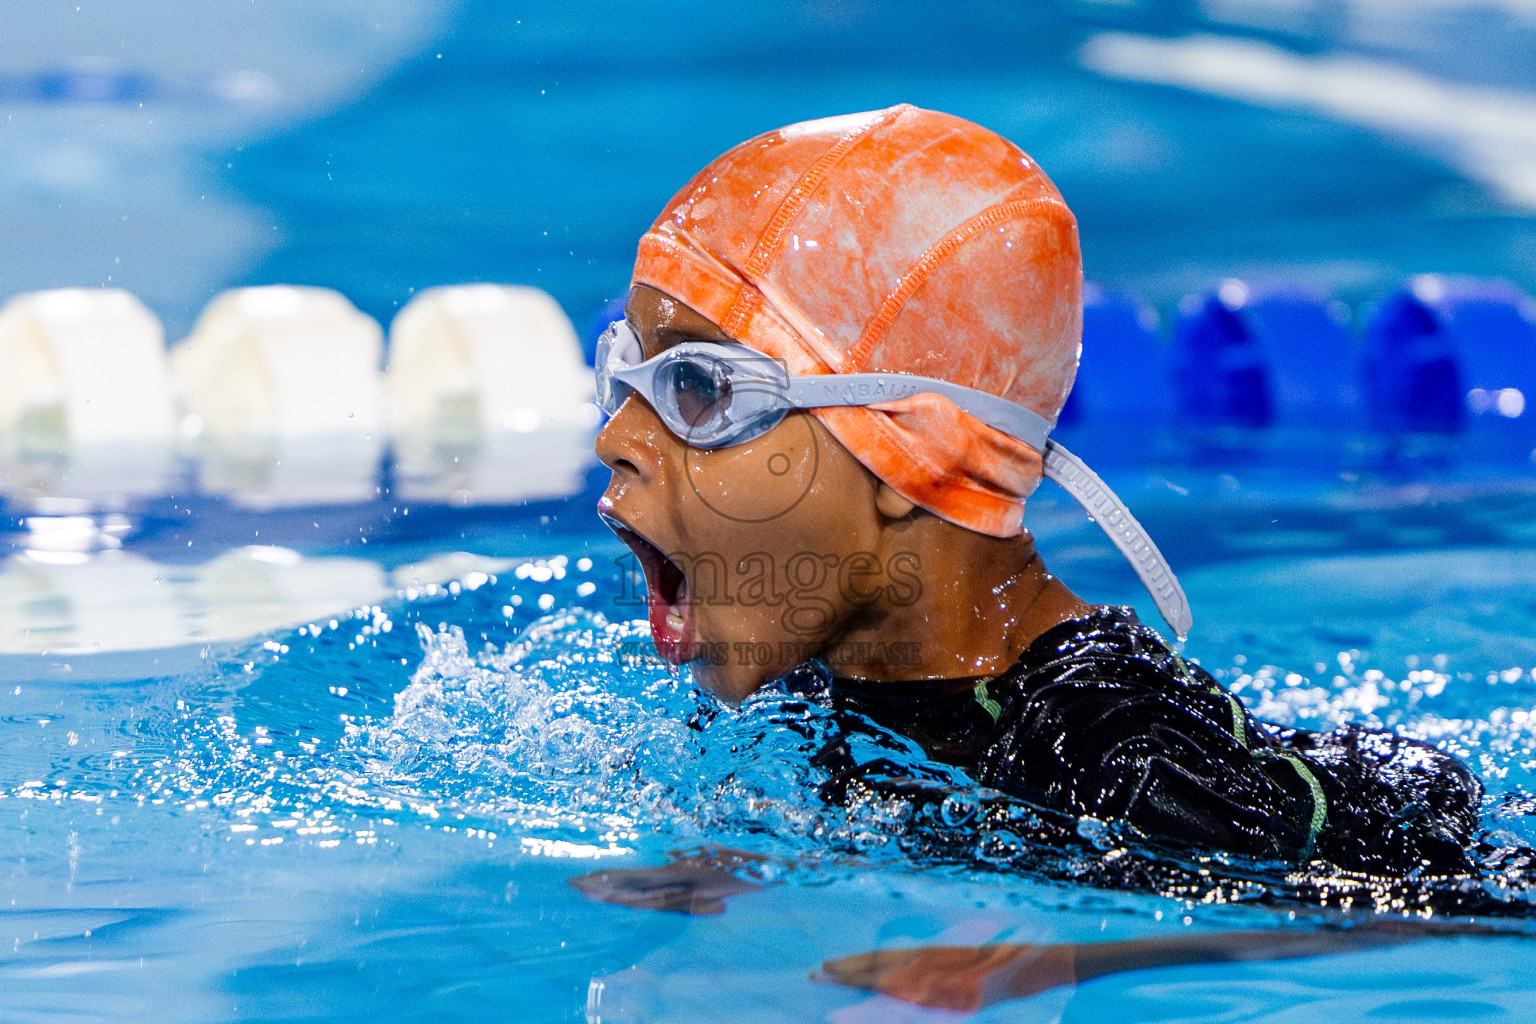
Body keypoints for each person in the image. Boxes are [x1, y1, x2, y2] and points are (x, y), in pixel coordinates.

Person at [591, 104, 1483, 884]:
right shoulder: (810, 685)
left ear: (920, 448)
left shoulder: (1117, 765)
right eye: (623, 372)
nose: (615, 441)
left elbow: (1446, 920)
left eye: (700, 391)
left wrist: (1051, 958)